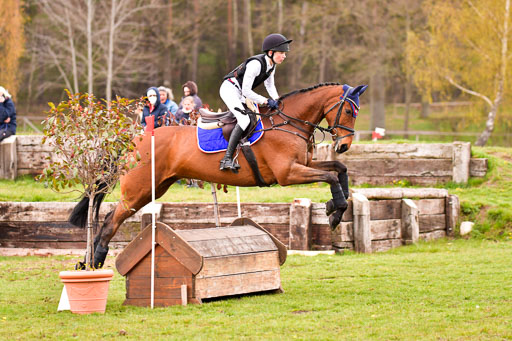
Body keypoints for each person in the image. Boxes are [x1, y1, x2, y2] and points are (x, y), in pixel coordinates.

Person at [218, 33, 292, 171]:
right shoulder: (255, 64)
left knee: (255, 118)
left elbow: (270, 86)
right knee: (244, 120)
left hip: (239, 92)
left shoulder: (272, 66)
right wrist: (266, 101)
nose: (284, 56)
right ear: (271, 52)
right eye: (281, 53)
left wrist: (278, 101)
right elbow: (246, 91)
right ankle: (226, 159)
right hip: (229, 89)